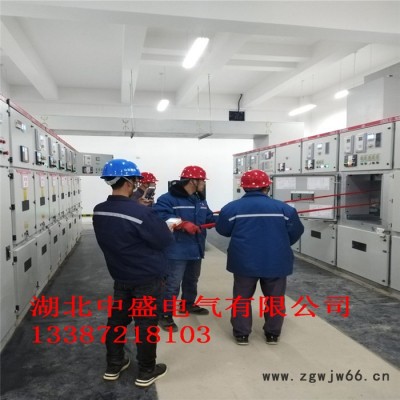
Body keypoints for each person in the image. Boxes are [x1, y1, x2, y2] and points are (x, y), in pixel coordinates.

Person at [92, 159, 174, 387]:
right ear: (129, 182)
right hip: (147, 277)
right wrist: (165, 226)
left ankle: (114, 365)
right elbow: (163, 241)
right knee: (146, 323)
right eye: (136, 180)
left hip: (121, 275)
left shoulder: (99, 210)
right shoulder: (140, 213)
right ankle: (146, 371)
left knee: (117, 321)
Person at [215, 169, 304, 346]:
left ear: (244, 187)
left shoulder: (231, 208)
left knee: (242, 298)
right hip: (276, 261)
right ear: (266, 187)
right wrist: (279, 245)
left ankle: (241, 334)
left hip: (244, 261)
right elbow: (296, 231)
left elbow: (223, 230)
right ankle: (272, 334)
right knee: (275, 298)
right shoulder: (284, 209)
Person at [153, 165, 217, 332]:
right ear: (193, 181)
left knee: (192, 279)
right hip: (176, 250)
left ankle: (188, 304)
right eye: (202, 180)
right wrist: (181, 224)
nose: (204, 183)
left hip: (196, 248)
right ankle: (164, 314)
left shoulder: (199, 199)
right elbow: (160, 217)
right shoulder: (168, 199)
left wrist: (221, 218)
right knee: (172, 284)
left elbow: (208, 216)